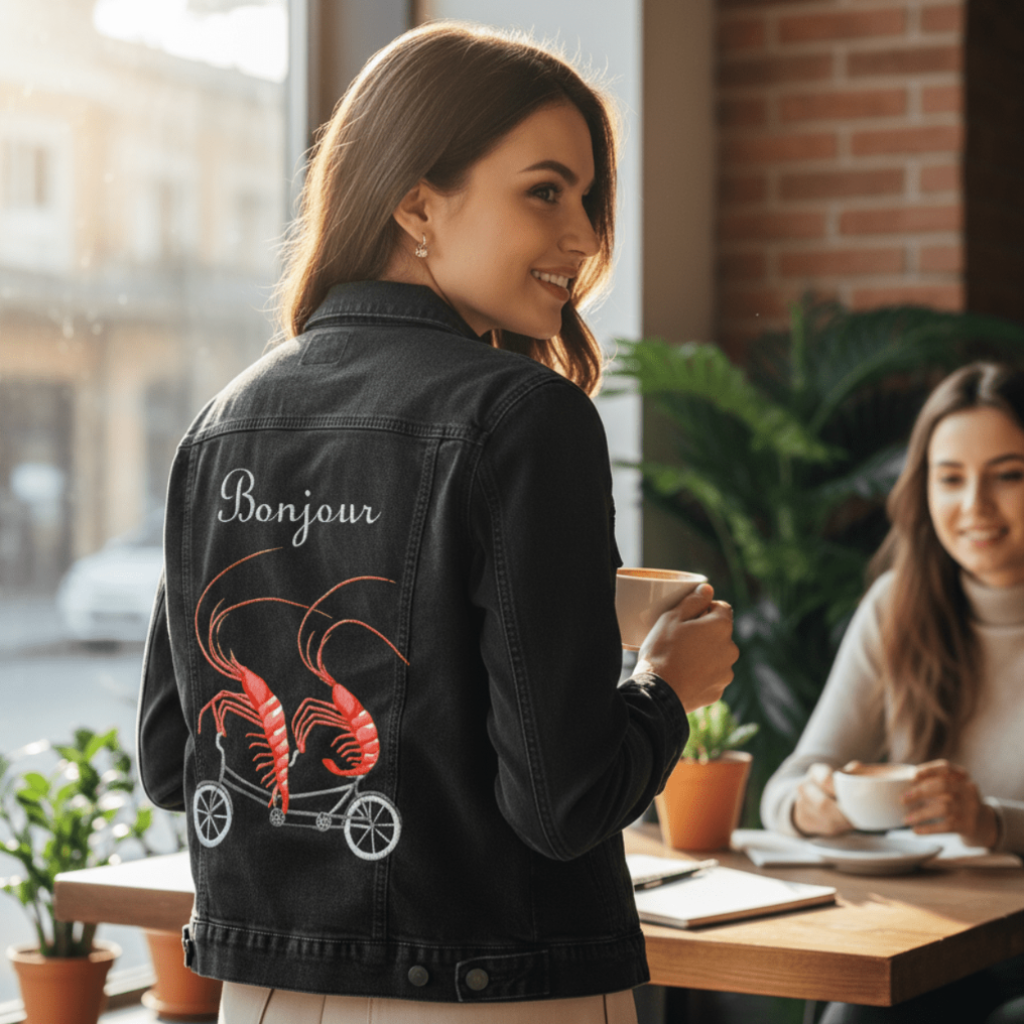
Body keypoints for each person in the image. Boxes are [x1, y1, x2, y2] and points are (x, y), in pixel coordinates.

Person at [136, 22, 738, 1024]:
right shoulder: (523, 415)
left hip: (263, 995)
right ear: (417, 203)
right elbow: (562, 806)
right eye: (545, 191)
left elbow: (172, 762)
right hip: (493, 996)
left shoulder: (220, 425)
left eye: (587, 198)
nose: (585, 236)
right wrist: (668, 685)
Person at [761, 361, 1024, 1024]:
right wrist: (816, 805)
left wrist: (992, 823)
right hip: (932, 938)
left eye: (1010, 475)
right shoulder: (897, 606)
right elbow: (783, 792)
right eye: (951, 479)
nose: (975, 508)